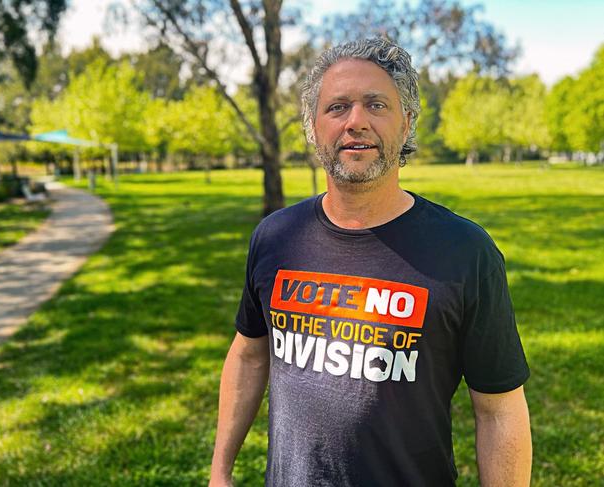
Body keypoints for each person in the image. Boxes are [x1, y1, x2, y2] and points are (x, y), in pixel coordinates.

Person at [209, 37, 532, 487]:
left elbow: (499, 409)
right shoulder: (275, 237)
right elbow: (248, 354)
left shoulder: (465, 252)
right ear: (312, 127)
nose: (355, 121)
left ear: (407, 123)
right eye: (337, 107)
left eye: (376, 105)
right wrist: (220, 472)